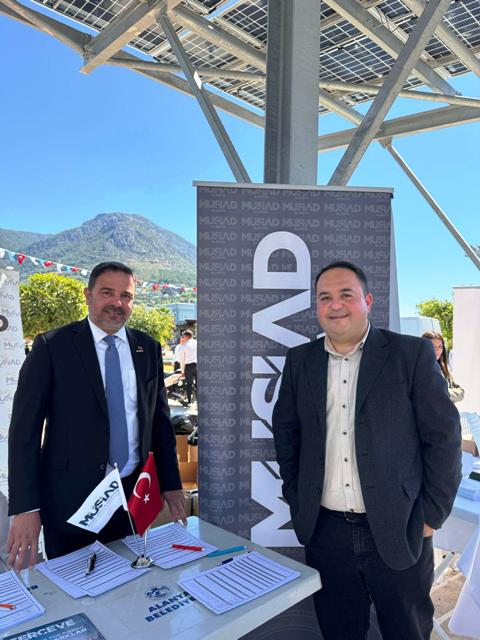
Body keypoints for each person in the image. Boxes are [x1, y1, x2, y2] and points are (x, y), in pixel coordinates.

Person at [272, 261, 462, 640]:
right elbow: (287, 432)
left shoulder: (410, 355)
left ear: (368, 301)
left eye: (346, 294)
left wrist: (431, 514)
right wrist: (297, 495)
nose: (335, 304)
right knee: (339, 631)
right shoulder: (301, 361)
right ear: (317, 306)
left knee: (406, 631)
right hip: (327, 533)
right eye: (325, 297)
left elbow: (443, 438)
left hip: (399, 526)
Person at [7, 261, 185, 569]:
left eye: (126, 296)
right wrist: (26, 508)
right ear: (88, 295)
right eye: (107, 292)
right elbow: (24, 432)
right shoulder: (52, 347)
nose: (117, 303)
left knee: (131, 584)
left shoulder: (148, 348)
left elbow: (159, 423)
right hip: (71, 503)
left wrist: (171, 483)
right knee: (75, 588)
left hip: (131, 499)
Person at [422, 330, 464, 404]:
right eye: (433, 346)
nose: (437, 350)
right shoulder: (419, 369)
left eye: (440, 346)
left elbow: (461, 392)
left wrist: (446, 393)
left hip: (446, 410)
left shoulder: (444, 368)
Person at [179, 329, 197, 406]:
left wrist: (182, 371)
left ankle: (189, 401)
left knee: (189, 384)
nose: (183, 337)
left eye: (184, 336)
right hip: (197, 365)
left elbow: (182, 360)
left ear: (186, 336)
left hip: (188, 367)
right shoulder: (197, 343)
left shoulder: (184, 346)